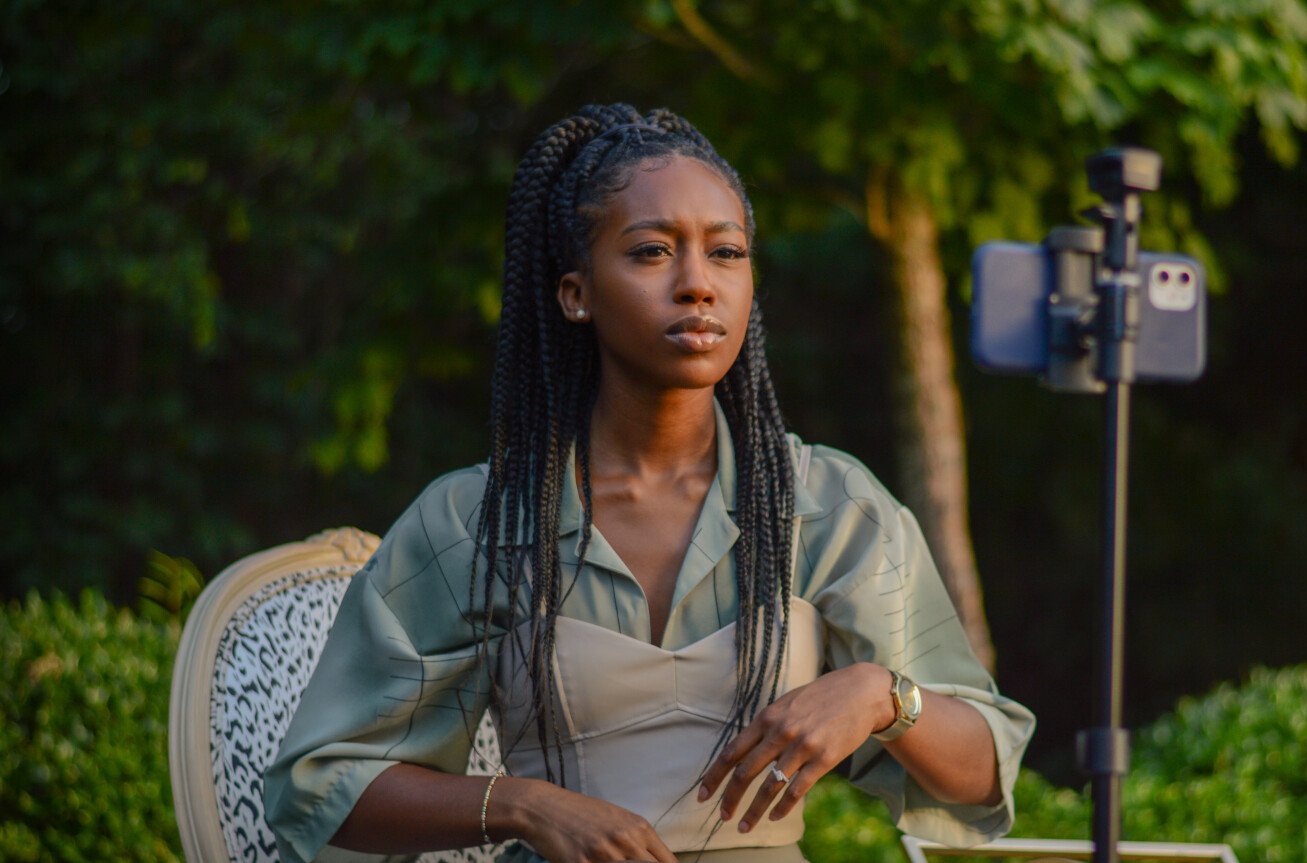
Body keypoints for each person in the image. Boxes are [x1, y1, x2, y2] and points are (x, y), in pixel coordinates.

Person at [263, 103, 1034, 863]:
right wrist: (526, 805)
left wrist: (880, 694)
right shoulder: (478, 520)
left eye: (725, 252)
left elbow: (982, 772)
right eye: (652, 251)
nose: (698, 284)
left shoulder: (826, 504)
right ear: (576, 293)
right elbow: (320, 785)